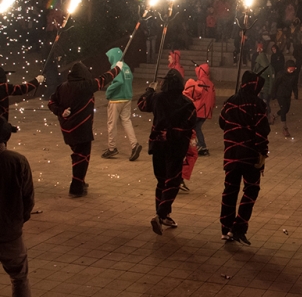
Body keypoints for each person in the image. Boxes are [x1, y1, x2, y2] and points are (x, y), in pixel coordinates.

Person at [48, 61, 121, 197]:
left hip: (67, 130)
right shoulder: (84, 86)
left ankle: (80, 181)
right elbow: (103, 79)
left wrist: (60, 111)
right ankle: (76, 188)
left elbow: (51, 102)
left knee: (78, 155)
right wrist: (117, 69)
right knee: (82, 157)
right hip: (81, 129)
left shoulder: (62, 87)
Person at [137, 69, 196, 235]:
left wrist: (149, 91)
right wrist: (172, 133)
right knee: (173, 181)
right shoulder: (186, 103)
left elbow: (142, 104)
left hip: (158, 145)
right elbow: (189, 125)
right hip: (174, 146)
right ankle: (161, 213)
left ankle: (162, 214)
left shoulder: (157, 98)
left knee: (162, 180)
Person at [219, 71, 271, 245]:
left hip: (232, 154)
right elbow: (262, 130)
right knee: (251, 190)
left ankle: (226, 228)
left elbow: (222, 122)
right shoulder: (257, 104)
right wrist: (262, 152)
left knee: (230, 191)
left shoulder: (230, 102)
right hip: (249, 155)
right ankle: (238, 227)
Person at [0, 120, 34, 297]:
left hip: (10, 228)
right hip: (9, 231)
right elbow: (27, 197)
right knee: (19, 277)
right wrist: (19, 219)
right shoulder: (17, 161)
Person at [101, 48, 142, 161]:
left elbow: (119, 81)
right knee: (126, 122)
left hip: (116, 99)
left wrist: (108, 91)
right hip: (127, 98)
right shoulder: (126, 66)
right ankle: (134, 145)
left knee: (112, 124)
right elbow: (130, 79)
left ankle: (112, 148)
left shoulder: (116, 66)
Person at [183, 63, 216, 156]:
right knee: (197, 127)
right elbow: (213, 98)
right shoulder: (211, 84)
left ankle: (201, 145)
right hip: (206, 111)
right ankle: (199, 145)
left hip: (199, 110)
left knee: (194, 127)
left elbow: (194, 94)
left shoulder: (200, 83)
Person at [272, 61, 298, 138]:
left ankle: (274, 116)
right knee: (283, 110)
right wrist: (273, 94)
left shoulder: (294, 75)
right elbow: (275, 84)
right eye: (290, 69)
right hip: (280, 94)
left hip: (287, 94)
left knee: (286, 110)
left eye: (293, 70)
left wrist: (296, 93)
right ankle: (285, 128)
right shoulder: (281, 74)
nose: (291, 71)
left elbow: (294, 85)